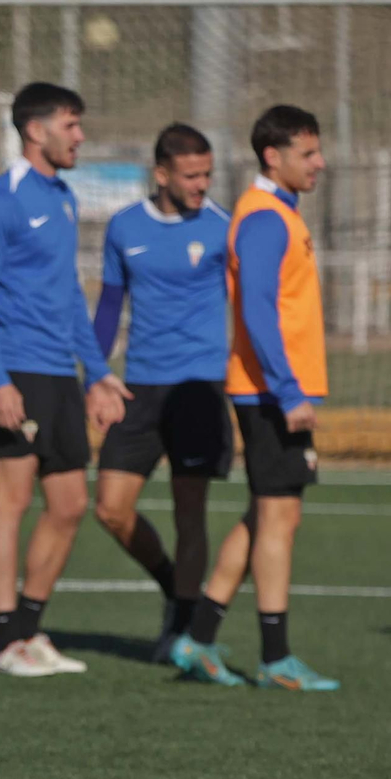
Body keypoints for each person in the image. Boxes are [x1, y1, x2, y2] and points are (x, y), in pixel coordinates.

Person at [0, 81, 131, 677]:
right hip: (18, 369)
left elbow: (68, 299)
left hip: (60, 371)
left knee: (70, 503)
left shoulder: (61, 196)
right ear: (36, 130)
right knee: (11, 499)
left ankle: (31, 632)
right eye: (71, 124)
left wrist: (99, 374)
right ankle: (4, 640)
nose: (80, 136)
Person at [170, 106, 339, 691]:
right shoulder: (266, 218)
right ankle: (275, 659)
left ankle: (198, 637)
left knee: (263, 514)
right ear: (275, 155)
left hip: (268, 389)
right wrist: (289, 390)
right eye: (309, 153)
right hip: (270, 393)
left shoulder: (276, 214)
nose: (320, 163)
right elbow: (257, 310)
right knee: (278, 520)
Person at [91, 124, 233, 661]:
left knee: (189, 513)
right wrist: (97, 375)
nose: (201, 185)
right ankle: (175, 585)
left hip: (199, 387)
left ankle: (184, 619)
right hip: (139, 387)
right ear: (161, 174)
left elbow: (249, 305)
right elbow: (108, 306)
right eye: (191, 175)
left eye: (207, 174)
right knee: (109, 509)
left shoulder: (224, 227)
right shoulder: (125, 226)